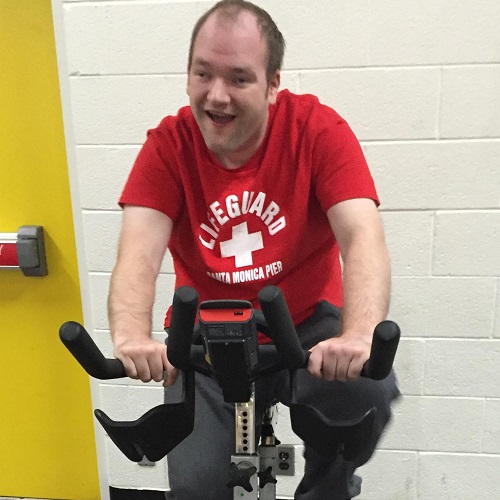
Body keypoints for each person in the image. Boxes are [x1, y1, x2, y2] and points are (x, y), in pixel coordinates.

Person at [109, 1, 400, 498]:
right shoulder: (168, 146)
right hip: (207, 332)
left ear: (272, 84)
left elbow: (362, 235)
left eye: (239, 78)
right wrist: (132, 335)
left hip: (308, 323)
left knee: (363, 398)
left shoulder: (317, 131)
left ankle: (325, 485)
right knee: (198, 486)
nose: (216, 96)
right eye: (203, 73)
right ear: (188, 75)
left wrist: (359, 335)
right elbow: (137, 252)